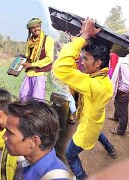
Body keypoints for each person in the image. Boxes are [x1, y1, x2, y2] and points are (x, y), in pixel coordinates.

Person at [53, 18, 117, 180]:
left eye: (86, 59)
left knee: (70, 155)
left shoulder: (95, 85)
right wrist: (80, 40)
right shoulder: (101, 78)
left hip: (88, 128)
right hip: (95, 120)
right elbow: (76, 74)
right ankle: (111, 149)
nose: (82, 62)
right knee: (99, 132)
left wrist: (84, 37)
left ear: (98, 63)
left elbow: (61, 68)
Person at [4, 100, 70, 179]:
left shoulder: (55, 177)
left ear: (34, 141)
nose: (4, 137)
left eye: (10, 133)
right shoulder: (27, 165)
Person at [19, 18, 54, 101]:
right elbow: (28, 56)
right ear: (30, 30)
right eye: (33, 28)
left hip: (40, 74)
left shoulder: (47, 39)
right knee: (23, 97)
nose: (36, 29)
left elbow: (49, 58)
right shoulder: (30, 41)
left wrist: (31, 64)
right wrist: (21, 61)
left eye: (38, 26)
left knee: (37, 100)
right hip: (29, 73)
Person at [109, 54, 129, 135]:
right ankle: (116, 117)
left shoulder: (124, 63)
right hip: (121, 89)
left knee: (122, 110)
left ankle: (120, 130)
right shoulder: (125, 60)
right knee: (117, 104)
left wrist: (122, 91)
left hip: (122, 91)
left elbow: (127, 84)